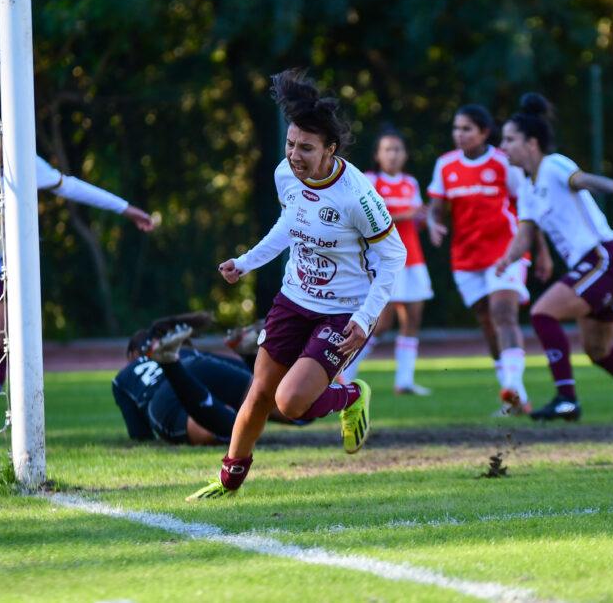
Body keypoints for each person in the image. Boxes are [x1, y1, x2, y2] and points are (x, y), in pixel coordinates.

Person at [187, 69, 407, 501]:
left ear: (330, 150)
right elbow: (291, 223)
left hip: (344, 311)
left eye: (306, 148)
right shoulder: (284, 175)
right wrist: (246, 262)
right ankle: (228, 480)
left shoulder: (357, 196)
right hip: (293, 300)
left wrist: (366, 318)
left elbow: (393, 255)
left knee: (290, 403)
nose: (294, 155)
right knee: (260, 393)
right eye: (290, 144)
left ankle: (350, 395)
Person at [0, 99, 157, 440]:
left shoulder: (25, 166)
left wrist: (126, 209)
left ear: (7, 137)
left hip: (2, 267)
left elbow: (73, 186)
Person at [495, 93, 613, 422]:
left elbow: (583, 180)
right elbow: (525, 232)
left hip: (603, 260)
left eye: (509, 139)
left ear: (532, 143)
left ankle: (566, 399)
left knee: (542, 313)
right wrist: (508, 258)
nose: (503, 147)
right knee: (598, 350)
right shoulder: (528, 185)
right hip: (595, 267)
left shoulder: (553, 164)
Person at [426, 105, 531, 415]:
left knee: (503, 313)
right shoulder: (445, 164)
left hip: (505, 252)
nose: (459, 134)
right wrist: (433, 222)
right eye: (456, 128)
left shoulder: (503, 162)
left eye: (466, 129)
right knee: (487, 322)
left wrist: (540, 252)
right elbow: (436, 206)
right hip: (466, 257)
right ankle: (516, 398)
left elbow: (527, 208)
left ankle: (512, 384)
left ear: (484, 132)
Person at [339, 129, 433, 395]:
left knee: (413, 318)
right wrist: (407, 214)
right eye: (388, 149)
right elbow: (369, 221)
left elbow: (416, 222)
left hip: (413, 258)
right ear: (378, 155)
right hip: (384, 261)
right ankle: (344, 372)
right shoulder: (370, 181)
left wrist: (426, 220)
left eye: (398, 149)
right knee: (381, 321)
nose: (393, 154)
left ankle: (404, 381)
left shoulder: (410, 183)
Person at [112, 317, 307, 445]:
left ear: (133, 354)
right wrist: (248, 362)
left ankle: (170, 364)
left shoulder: (122, 377)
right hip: (197, 364)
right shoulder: (186, 351)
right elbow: (252, 380)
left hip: (161, 397)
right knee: (284, 406)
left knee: (231, 433)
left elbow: (140, 436)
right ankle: (248, 353)